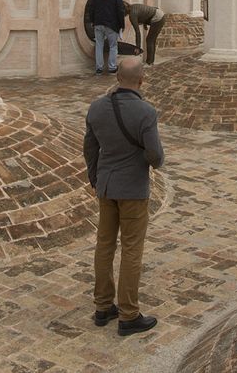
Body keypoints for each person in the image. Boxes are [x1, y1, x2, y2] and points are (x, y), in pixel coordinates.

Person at [82, 55, 163, 337]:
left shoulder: (96, 108)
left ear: (117, 78)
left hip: (106, 186)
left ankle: (103, 306)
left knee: (104, 245)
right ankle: (129, 313)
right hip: (132, 189)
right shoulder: (145, 112)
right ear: (141, 80)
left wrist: (96, 178)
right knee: (131, 249)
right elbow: (156, 156)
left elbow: (90, 149)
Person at [84, 0, 127, 75]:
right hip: (111, 25)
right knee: (113, 46)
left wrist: (92, 20)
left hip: (98, 23)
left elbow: (91, 8)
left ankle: (99, 68)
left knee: (99, 45)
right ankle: (112, 67)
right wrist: (122, 25)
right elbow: (120, 11)